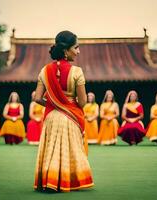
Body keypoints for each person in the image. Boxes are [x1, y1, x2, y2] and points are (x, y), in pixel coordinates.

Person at [33, 30, 94, 192]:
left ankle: (49, 180)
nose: (78, 51)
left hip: (52, 117)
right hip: (70, 118)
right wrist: (69, 107)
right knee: (70, 150)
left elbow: (37, 98)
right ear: (66, 50)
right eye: (76, 47)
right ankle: (68, 181)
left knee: (53, 148)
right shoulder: (77, 72)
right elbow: (83, 101)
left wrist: (55, 104)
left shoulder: (44, 71)